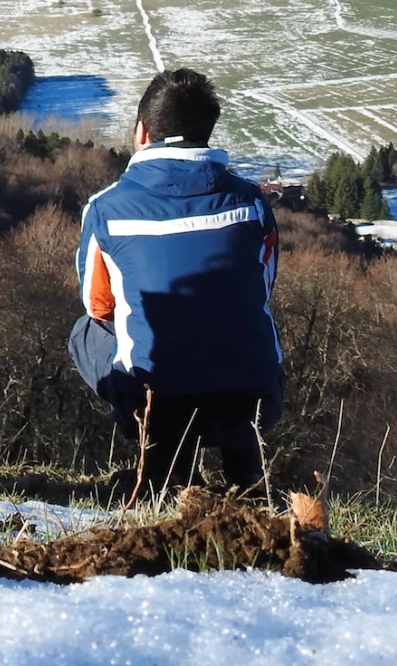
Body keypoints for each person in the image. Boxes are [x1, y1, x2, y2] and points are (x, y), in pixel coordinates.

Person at [68, 67, 283, 491]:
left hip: (158, 402)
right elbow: (264, 287)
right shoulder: (253, 202)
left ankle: (163, 466)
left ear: (142, 131)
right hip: (254, 399)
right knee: (238, 321)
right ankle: (246, 467)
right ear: (207, 132)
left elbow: (99, 307)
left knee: (85, 333)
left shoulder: (106, 208)